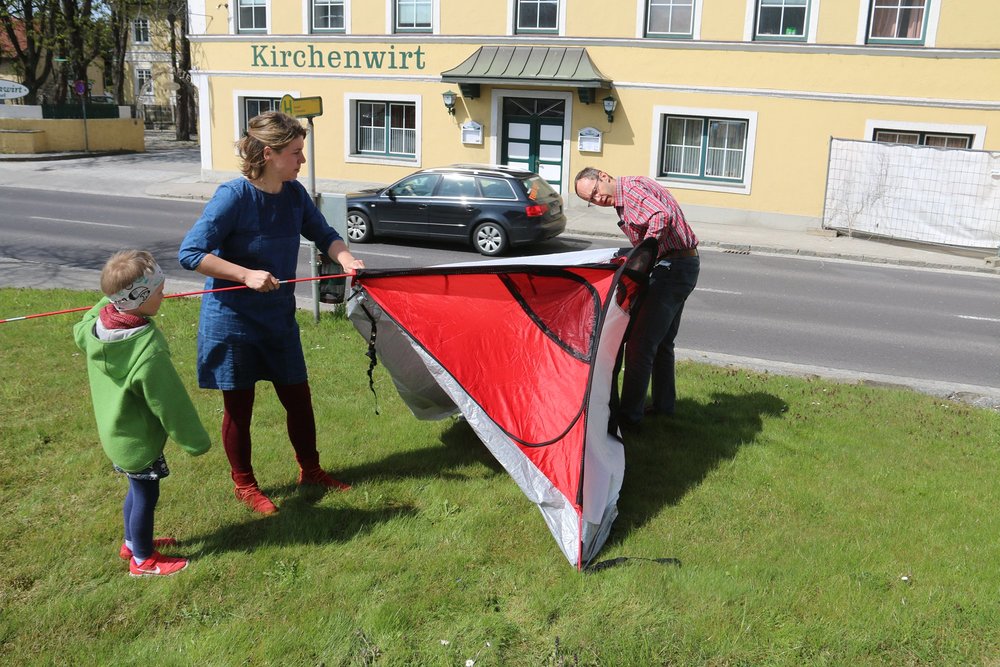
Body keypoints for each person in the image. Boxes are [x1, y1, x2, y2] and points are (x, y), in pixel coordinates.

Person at [178, 110, 365, 515]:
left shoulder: (294, 194)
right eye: (296, 152)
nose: (302, 160)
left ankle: (311, 470)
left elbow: (325, 234)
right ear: (269, 154)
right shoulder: (234, 196)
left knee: (298, 398)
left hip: (278, 318)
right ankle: (244, 485)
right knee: (239, 408)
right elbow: (190, 253)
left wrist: (347, 258)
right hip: (232, 321)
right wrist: (244, 274)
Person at [74, 250, 211, 577]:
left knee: (135, 491)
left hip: (117, 434)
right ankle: (143, 560)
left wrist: (109, 300)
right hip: (138, 442)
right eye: (158, 291)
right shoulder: (147, 349)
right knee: (146, 496)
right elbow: (170, 401)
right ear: (137, 298)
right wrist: (195, 441)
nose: (164, 294)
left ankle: (132, 542)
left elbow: (89, 316)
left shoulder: (95, 326)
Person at [573, 167, 700, 429]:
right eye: (591, 199)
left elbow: (660, 216)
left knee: (639, 346)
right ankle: (664, 407)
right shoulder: (626, 196)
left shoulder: (629, 191)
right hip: (682, 265)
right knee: (662, 343)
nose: (597, 199)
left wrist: (645, 253)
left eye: (595, 191)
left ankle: (629, 419)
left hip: (672, 268)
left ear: (603, 176)